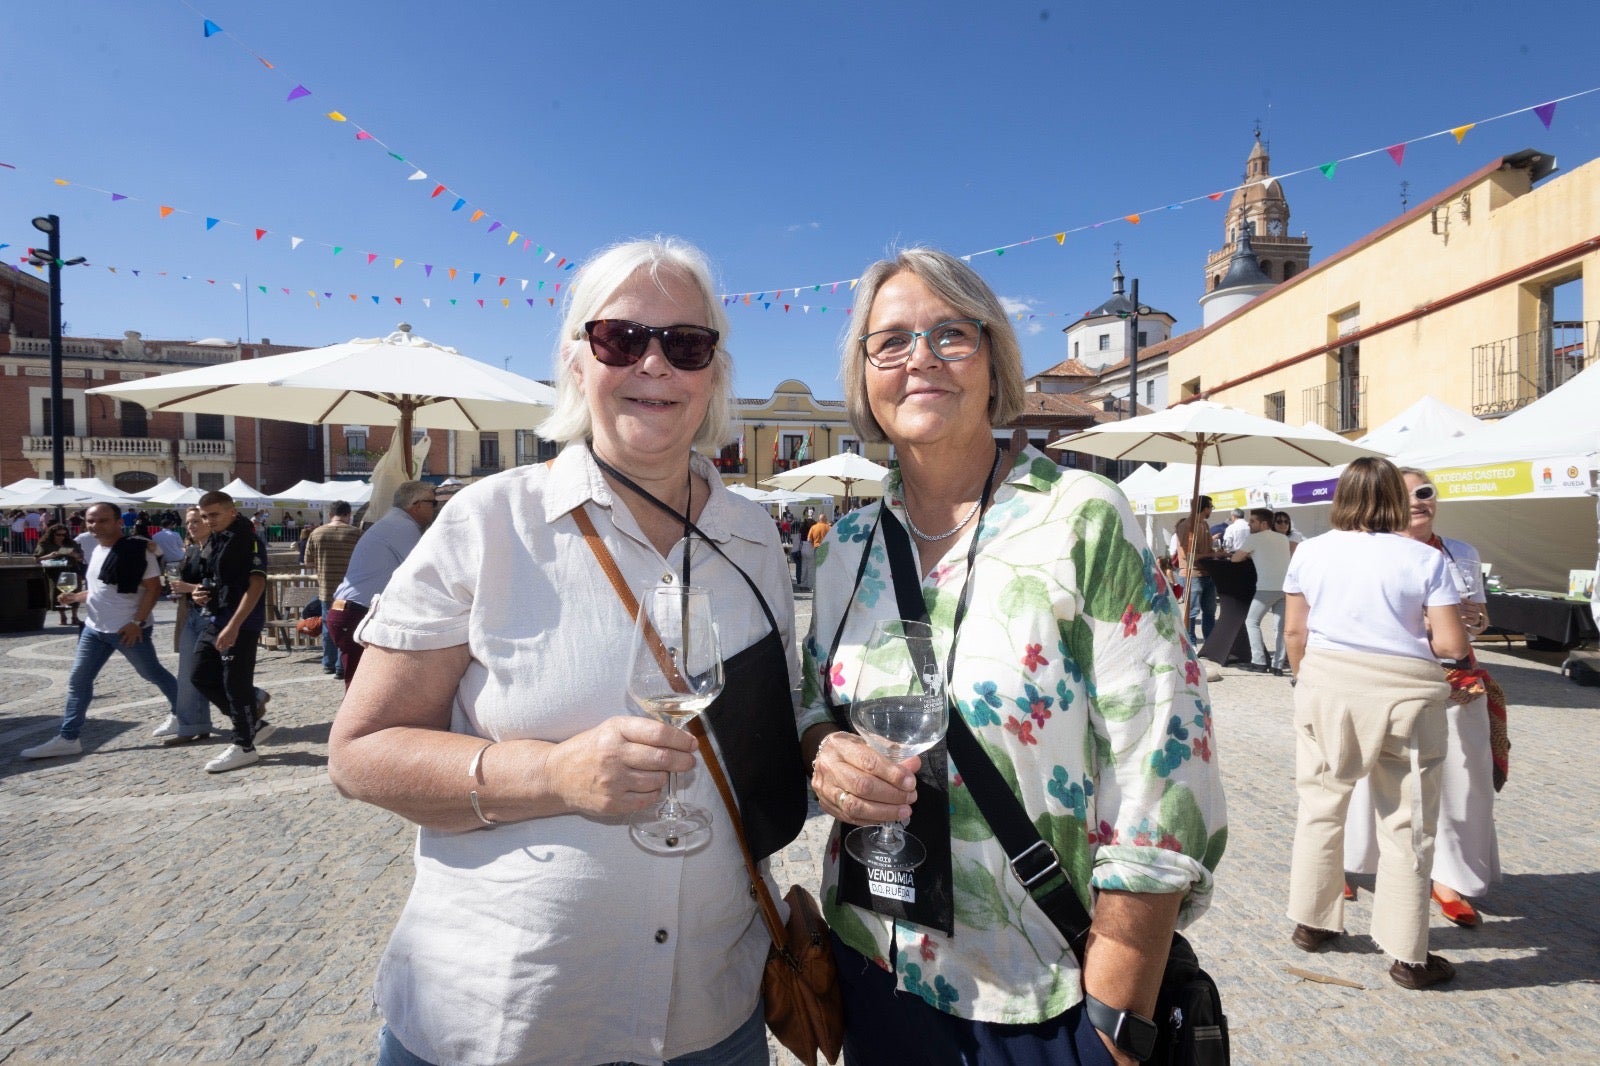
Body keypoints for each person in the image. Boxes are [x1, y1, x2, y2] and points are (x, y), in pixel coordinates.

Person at [327, 237, 802, 1066]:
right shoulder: (488, 522)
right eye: (621, 338)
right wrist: (550, 775)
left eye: (685, 344)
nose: (653, 363)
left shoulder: (756, 539)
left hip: (713, 1018)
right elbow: (360, 753)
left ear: (714, 374)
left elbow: (771, 735)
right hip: (508, 1018)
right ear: (578, 362)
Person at [801, 249, 1224, 1064]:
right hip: (874, 969)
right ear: (864, 376)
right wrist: (825, 754)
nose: (920, 358)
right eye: (891, 342)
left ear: (994, 361)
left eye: (950, 334)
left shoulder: (1081, 520)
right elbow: (813, 706)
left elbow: (1163, 774)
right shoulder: (845, 547)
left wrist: (1117, 1018)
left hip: (1043, 994)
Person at [1282, 457, 1470, 990]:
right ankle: (1408, 955)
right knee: (1407, 824)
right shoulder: (1424, 558)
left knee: (1320, 807)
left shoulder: (1310, 552)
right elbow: (1452, 645)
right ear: (1393, 498)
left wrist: (1307, 682)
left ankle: (1312, 922)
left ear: (1341, 496)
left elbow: (1295, 633)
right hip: (1406, 694)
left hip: (1327, 686)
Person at [1344, 468, 1501, 927]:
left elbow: (1479, 619)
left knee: (1462, 776)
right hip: (1386, 675)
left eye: (1425, 493)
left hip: (1456, 678)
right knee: (1364, 772)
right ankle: (1346, 861)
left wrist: (1475, 621)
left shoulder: (1461, 552)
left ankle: (1449, 877)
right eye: (1406, 494)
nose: (1418, 502)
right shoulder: (1367, 550)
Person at [20, 502, 180, 760]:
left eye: (103, 520)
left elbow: (153, 588)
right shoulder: (95, 550)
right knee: (78, 681)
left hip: (126, 629)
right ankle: (68, 738)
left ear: (119, 522)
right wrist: (76, 597)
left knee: (152, 673)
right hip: (94, 628)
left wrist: (137, 623)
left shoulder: (139, 551)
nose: (95, 525)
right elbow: (100, 590)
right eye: (91, 521)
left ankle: (183, 713)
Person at [324, 481, 439, 689]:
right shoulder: (403, 527)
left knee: (367, 687)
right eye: (433, 503)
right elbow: (426, 573)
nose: (435, 508)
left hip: (350, 611)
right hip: (358, 614)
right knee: (364, 691)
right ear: (417, 505)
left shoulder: (393, 522)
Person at [191, 491, 275, 773]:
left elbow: (257, 585)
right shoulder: (216, 539)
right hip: (217, 617)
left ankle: (244, 745)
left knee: (235, 684)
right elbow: (216, 578)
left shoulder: (248, 540)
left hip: (241, 622)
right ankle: (253, 723)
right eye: (204, 516)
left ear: (232, 512)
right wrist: (199, 593)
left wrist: (234, 625)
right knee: (200, 674)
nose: (208, 521)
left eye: (214, 515)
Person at [157, 507, 233, 745]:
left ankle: (253, 701)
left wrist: (188, 588)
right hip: (192, 614)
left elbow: (223, 583)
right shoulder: (191, 550)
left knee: (214, 670)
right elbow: (187, 581)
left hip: (214, 616)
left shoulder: (219, 548)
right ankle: (191, 725)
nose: (191, 526)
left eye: (196, 521)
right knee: (187, 673)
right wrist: (182, 588)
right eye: (188, 522)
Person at [303, 500, 364, 678]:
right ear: (348, 515)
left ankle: (328, 663)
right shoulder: (356, 534)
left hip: (326, 588)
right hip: (350, 590)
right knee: (346, 627)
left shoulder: (316, 533)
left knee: (327, 626)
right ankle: (340, 665)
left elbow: (308, 562)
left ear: (330, 514)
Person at [1231, 507, 1292, 674]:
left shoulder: (1254, 538)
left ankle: (1259, 662)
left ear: (1264, 524)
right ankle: (1277, 665)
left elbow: (1235, 559)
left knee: (1252, 621)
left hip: (1266, 587)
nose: (1249, 524)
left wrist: (1249, 554)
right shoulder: (1283, 538)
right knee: (1280, 628)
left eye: (1252, 521)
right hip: (1285, 587)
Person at [1173, 496, 1218, 643]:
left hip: (1207, 573)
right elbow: (1187, 555)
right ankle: (1191, 644)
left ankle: (1210, 643)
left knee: (1210, 611)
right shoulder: (1187, 526)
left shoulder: (1204, 524)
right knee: (1191, 612)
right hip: (1191, 574)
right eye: (1211, 507)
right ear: (1205, 508)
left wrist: (1216, 552)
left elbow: (1208, 548)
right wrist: (1212, 554)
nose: (1211, 510)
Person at [35, 524, 85, 626]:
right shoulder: (45, 544)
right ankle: (62, 616)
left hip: (71, 568)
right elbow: (37, 559)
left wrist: (73, 554)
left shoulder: (70, 543)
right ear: (52, 534)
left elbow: (80, 557)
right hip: (54, 571)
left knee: (74, 591)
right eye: (58, 534)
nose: (61, 537)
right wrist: (49, 556)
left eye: (64, 535)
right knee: (57, 593)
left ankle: (74, 616)